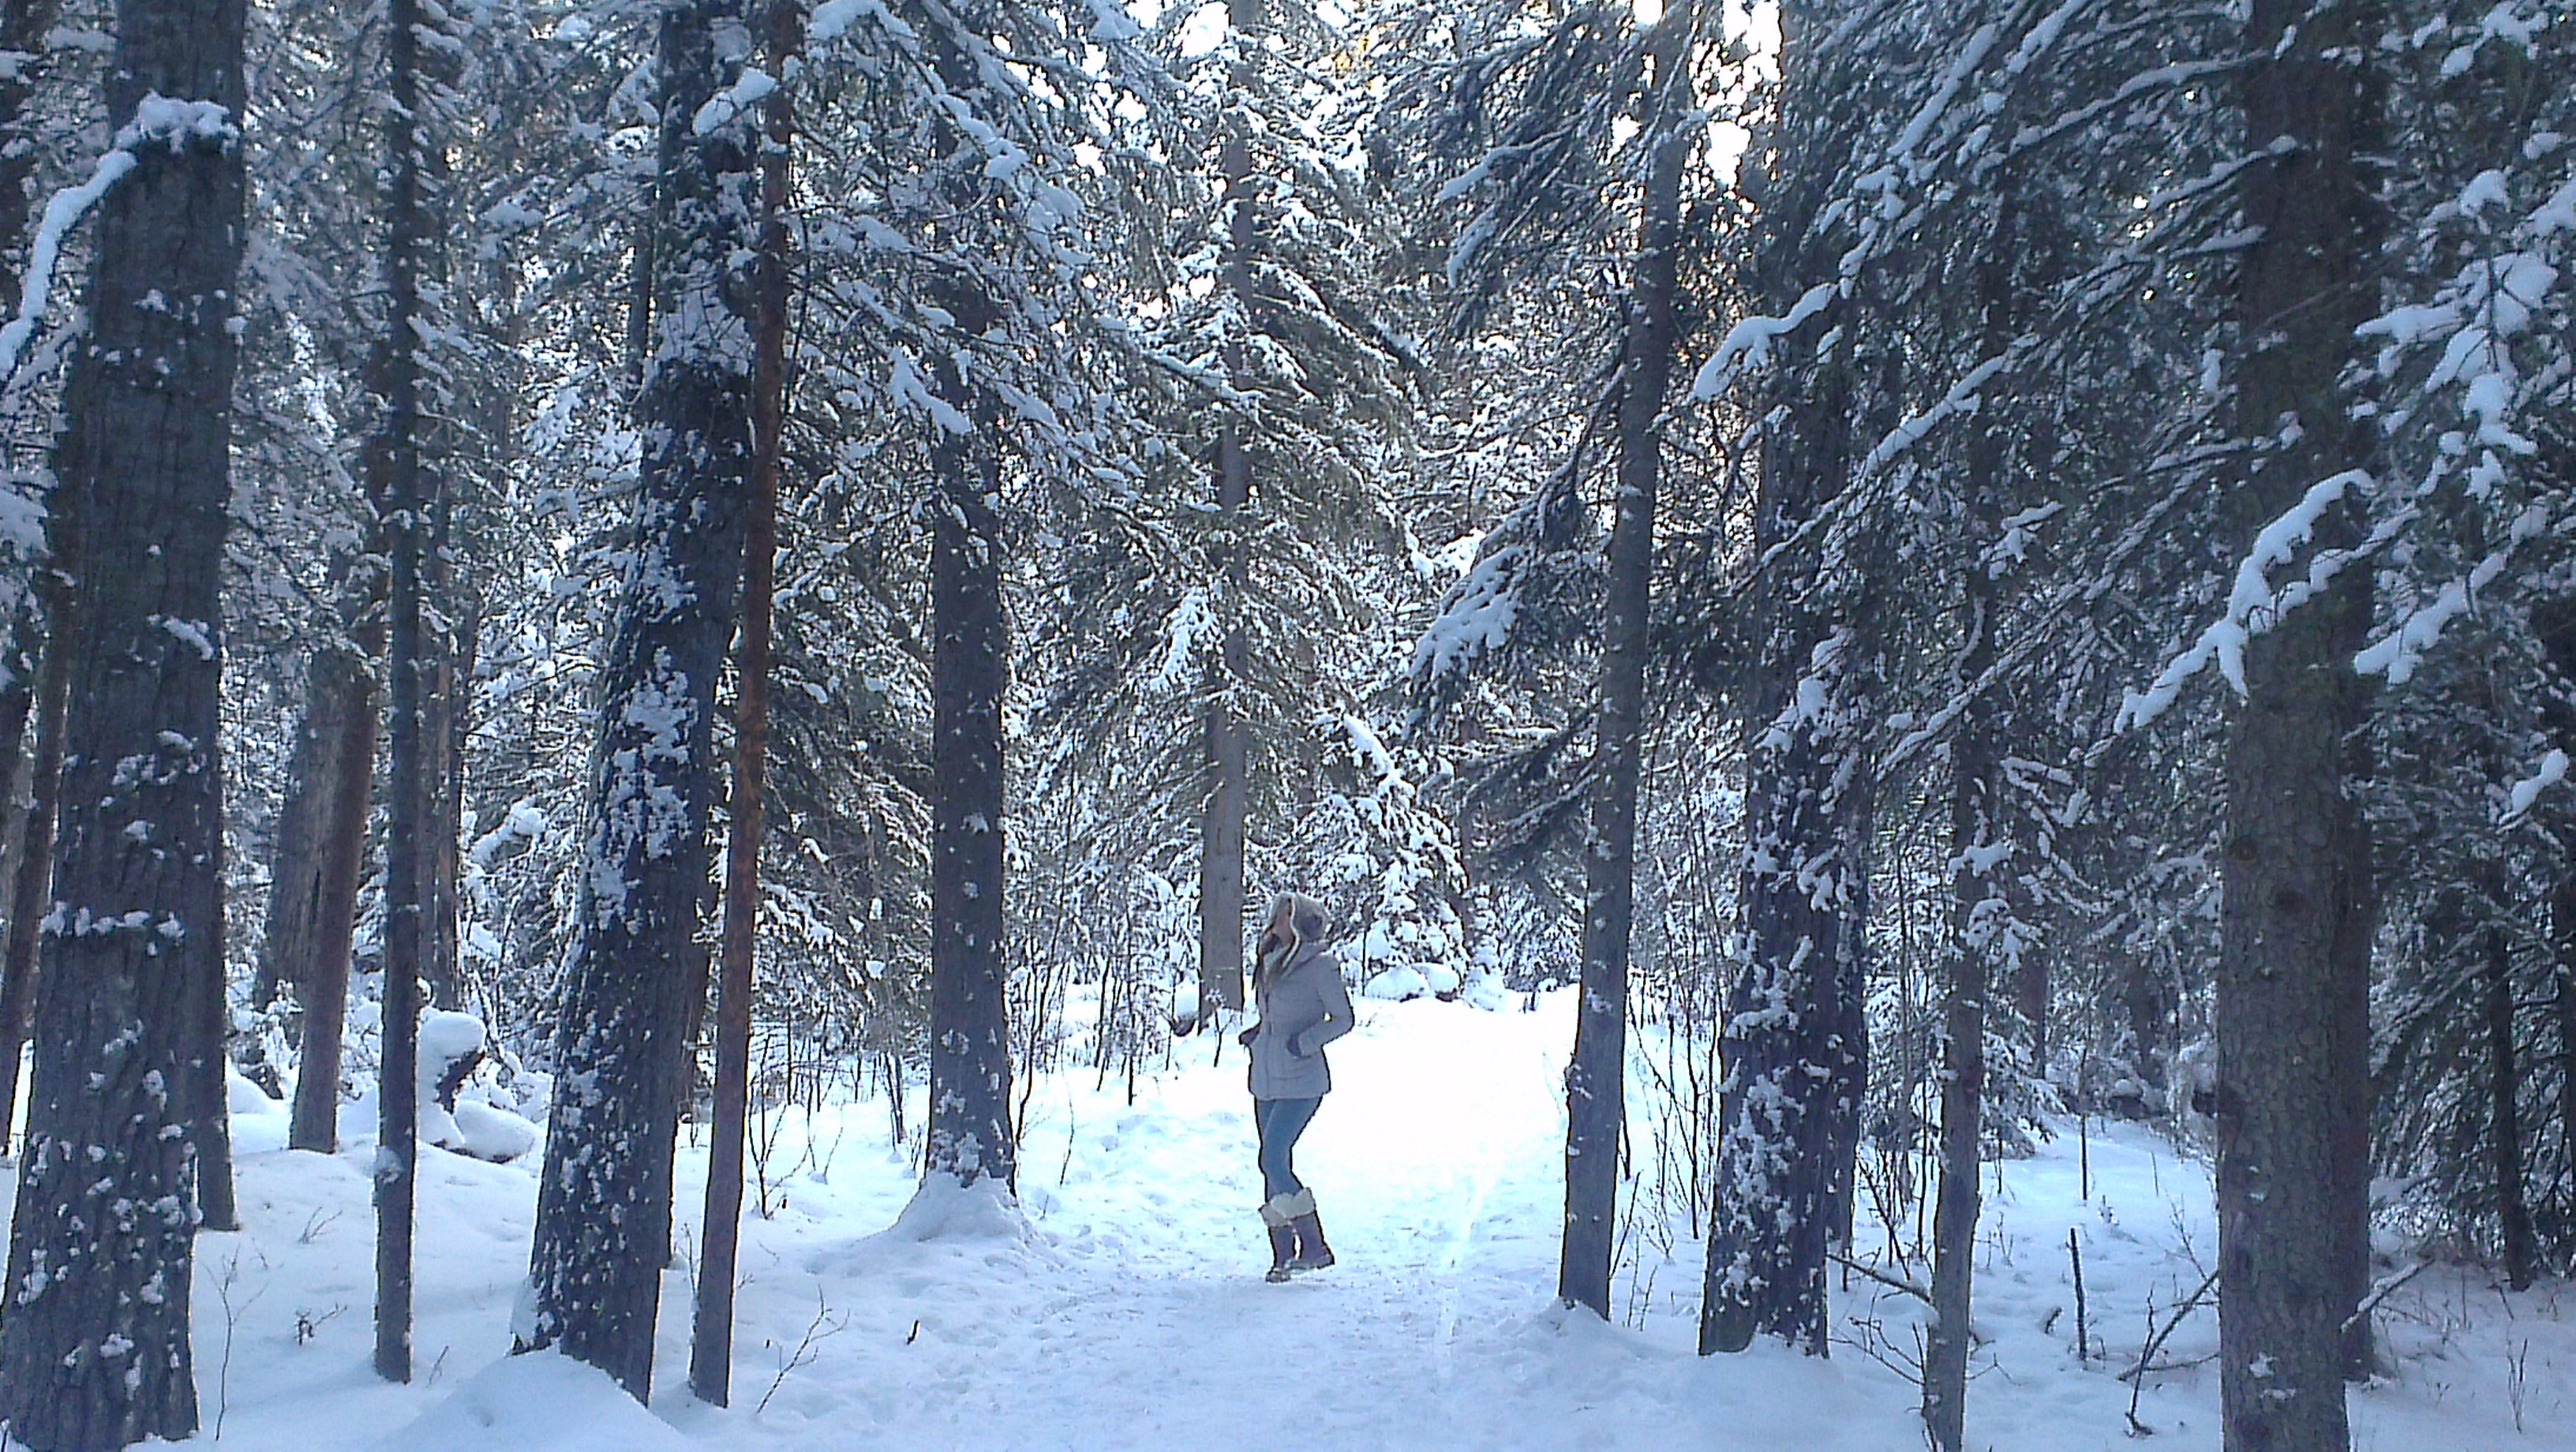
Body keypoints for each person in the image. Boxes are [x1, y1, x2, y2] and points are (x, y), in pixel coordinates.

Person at [1237, 891, 1355, 1282]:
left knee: (1271, 1159)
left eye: (1288, 915)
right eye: (1277, 913)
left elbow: (1343, 1018)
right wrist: (1258, 1034)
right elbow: (1273, 1014)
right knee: (1273, 1165)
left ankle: (1316, 1245)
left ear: (1303, 922)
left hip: (1303, 1079)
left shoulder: (1320, 967)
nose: (1279, 920)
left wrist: (1302, 1042)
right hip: (1266, 1076)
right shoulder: (1269, 961)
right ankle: (1283, 1254)